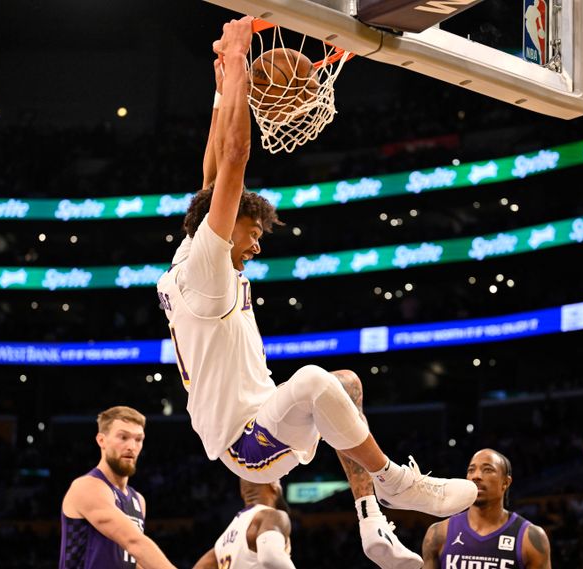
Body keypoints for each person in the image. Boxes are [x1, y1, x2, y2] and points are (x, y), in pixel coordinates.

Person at [157, 16, 476, 568]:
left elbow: (211, 175)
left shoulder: (188, 257)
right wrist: (236, 59)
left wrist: (219, 87)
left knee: (344, 384)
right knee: (311, 380)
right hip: (245, 443)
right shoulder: (208, 265)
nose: (255, 246)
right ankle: (396, 481)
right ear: (224, 226)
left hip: (260, 422)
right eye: (252, 232)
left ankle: (372, 520)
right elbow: (233, 160)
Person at [59, 406, 177, 569]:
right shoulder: (87, 487)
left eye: (138, 439)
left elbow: (134, 560)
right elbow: (134, 542)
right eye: (123, 437)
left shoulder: (138, 500)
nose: (132, 446)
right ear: (101, 440)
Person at [421, 449, 552, 569]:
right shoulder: (438, 533)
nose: (476, 476)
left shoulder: (530, 538)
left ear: (505, 483)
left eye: (487, 470)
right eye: (471, 470)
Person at [191, 479, 294, 569]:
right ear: (274, 485)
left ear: (243, 492)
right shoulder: (272, 516)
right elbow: (270, 557)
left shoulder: (221, 542)